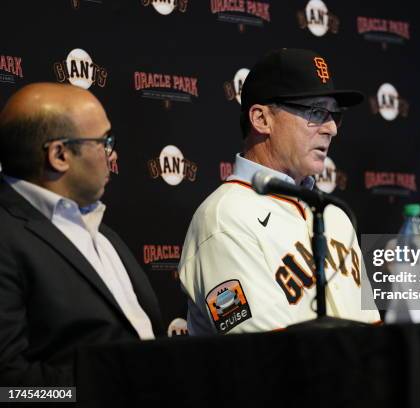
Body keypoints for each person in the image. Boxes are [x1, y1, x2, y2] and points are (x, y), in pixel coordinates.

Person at [179, 48, 380, 335]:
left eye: (334, 114)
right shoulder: (223, 218)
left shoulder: (334, 214)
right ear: (261, 119)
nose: (332, 128)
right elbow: (264, 352)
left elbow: (372, 330)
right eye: (315, 112)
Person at [0, 83, 163, 386]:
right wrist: (103, 393)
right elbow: (9, 390)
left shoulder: (104, 234)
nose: (112, 156)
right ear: (59, 154)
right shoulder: (7, 237)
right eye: (104, 141)